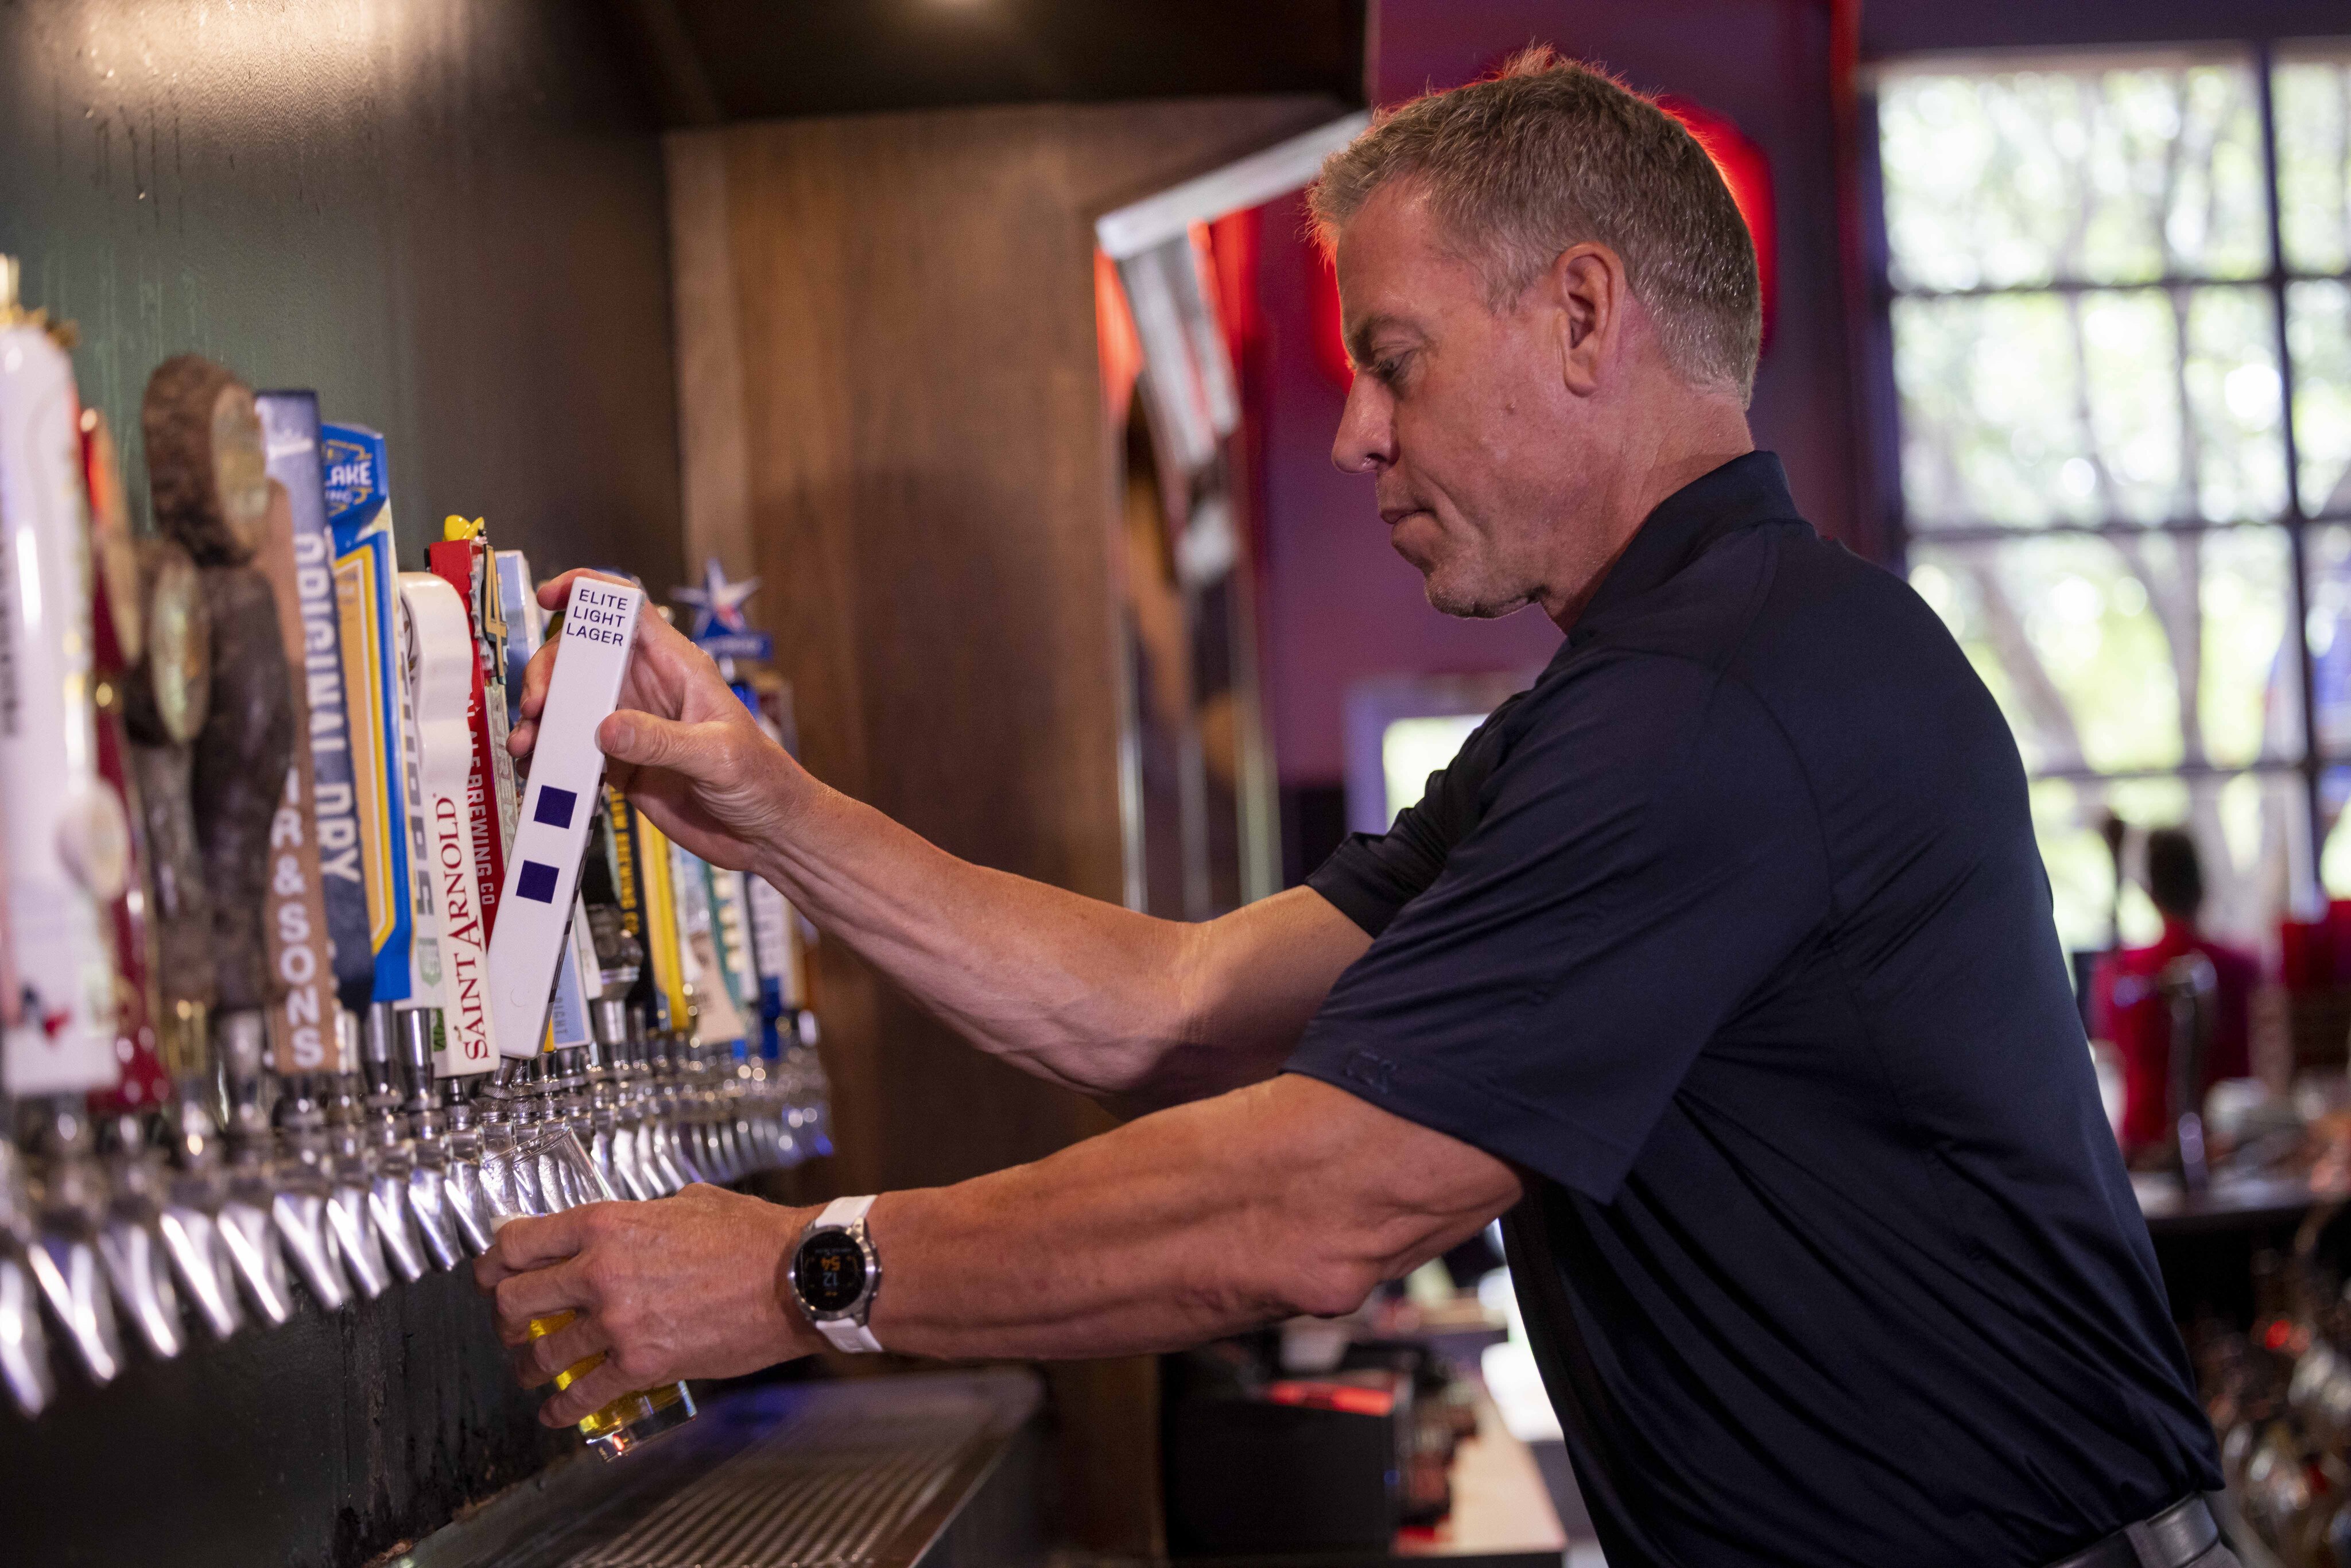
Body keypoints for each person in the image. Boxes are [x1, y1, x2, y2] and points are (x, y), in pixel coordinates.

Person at [479, 51, 2231, 1568]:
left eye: (1394, 361)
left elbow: (1316, 1205)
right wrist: (775, 815)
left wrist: (808, 1272)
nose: (1356, 437)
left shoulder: (1716, 706)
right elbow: (1155, 1004)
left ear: (1582, 314)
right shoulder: (1648, 694)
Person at [2092, 828, 2258, 1163]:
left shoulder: (2121, 975)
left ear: (2150, 893)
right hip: (2225, 1150)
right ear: (2202, 888)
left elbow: (2111, 1052)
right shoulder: (2241, 968)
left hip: (2144, 1149)